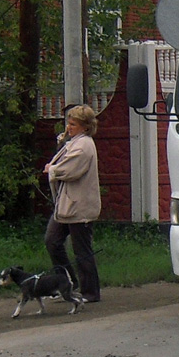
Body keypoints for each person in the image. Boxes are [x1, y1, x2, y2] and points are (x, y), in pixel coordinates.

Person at [44, 104, 102, 303]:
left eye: (73, 124)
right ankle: (68, 283)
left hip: (80, 206)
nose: (69, 127)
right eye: (68, 123)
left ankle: (91, 292)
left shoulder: (84, 145)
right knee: (52, 240)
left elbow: (70, 170)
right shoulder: (74, 142)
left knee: (82, 250)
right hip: (66, 205)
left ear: (85, 127)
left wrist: (53, 170)